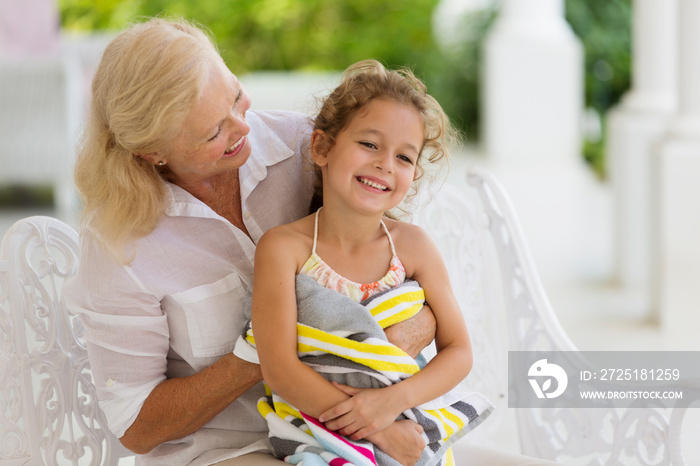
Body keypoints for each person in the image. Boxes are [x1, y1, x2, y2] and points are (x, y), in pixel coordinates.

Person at [64, 15, 561, 466]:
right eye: (216, 129)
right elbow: (136, 426)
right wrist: (277, 349)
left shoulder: (309, 147)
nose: (244, 127)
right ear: (152, 151)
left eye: (236, 97)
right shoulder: (118, 247)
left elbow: (417, 293)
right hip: (227, 451)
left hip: (372, 421)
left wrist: (378, 369)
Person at [242, 59, 492, 466]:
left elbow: (459, 350)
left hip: (402, 414)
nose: (385, 165)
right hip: (321, 431)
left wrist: (392, 402)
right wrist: (377, 427)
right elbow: (279, 368)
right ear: (322, 147)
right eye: (370, 144)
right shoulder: (284, 248)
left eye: (405, 157)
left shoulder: (413, 248)